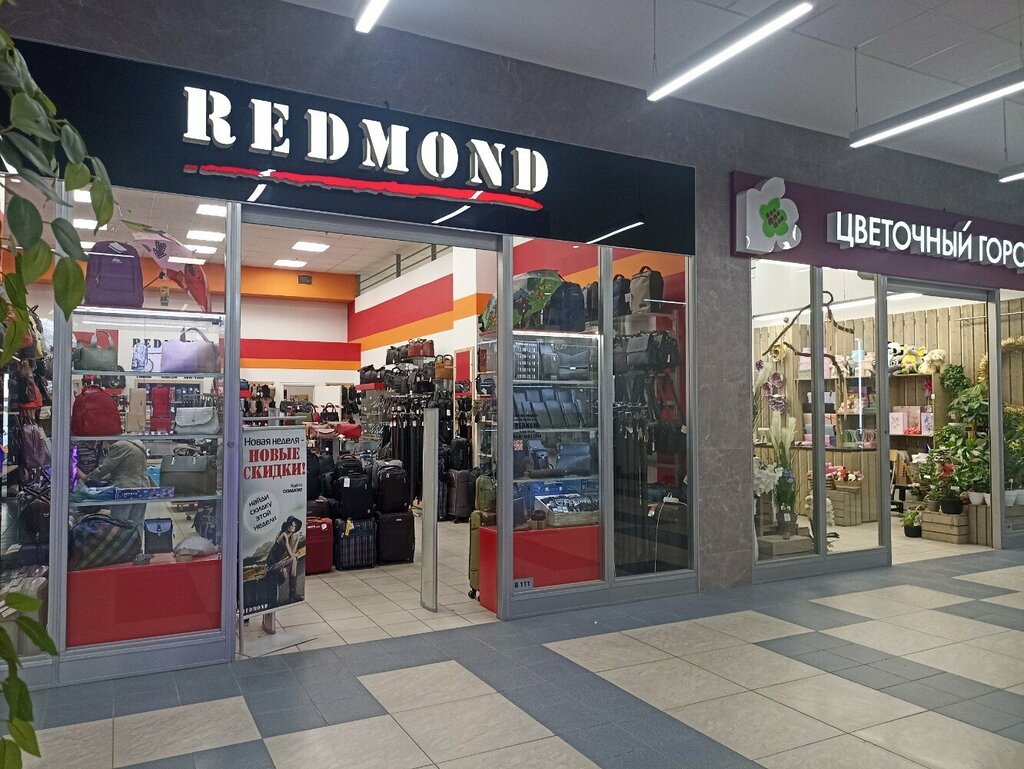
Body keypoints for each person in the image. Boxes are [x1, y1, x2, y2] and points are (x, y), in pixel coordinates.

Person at [79, 439, 151, 526]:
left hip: (125, 490)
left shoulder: (119, 446)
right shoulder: (137, 442)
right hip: (143, 489)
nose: (105, 442)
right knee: (137, 523)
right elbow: (128, 469)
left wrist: (86, 479)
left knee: (119, 524)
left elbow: (105, 467)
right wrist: (107, 477)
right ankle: (137, 536)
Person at [264, 516, 303, 602]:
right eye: (291, 524)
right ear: (287, 525)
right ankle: (292, 593)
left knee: (293, 560)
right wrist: (295, 555)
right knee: (294, 559)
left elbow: (291, 552)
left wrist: (297, 540)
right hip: (270, 567)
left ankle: (292, 593)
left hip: (276, 565)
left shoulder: (288, 537)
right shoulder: (284, 535)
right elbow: (291, 555)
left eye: (295, 525)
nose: (293, 526)